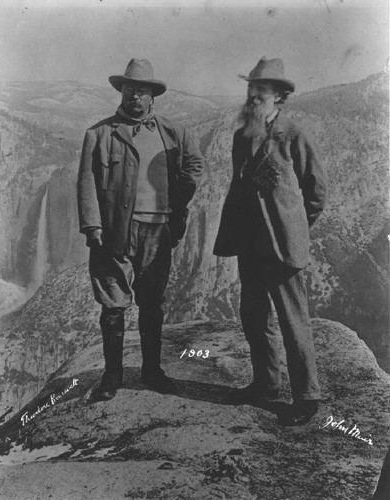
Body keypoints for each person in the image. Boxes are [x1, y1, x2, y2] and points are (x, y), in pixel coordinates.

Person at [77, 58, 203, 400]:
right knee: (113, 303)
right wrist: (92, 225)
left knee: (152, 302)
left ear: (152, 97)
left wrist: (181, 195)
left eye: (142, 91)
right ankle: (113, 375)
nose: (135, 96)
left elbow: (194, 163)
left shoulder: (172, 132)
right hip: (115, 230)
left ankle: (151, 371)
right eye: (130, 90)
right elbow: (87, 181)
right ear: (122, 92)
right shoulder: (99, 134)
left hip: (159, 229)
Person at [214, 57, 327, 425]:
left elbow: (316, 193)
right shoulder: (242, 135)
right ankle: (266, 383)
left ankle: (307, 398)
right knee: (253, 315)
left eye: (260, 91)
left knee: (293, 320)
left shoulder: (293, 134)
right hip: (250, 244)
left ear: (279, 96)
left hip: (282, 247)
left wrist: (293, 227)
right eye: (251, 89)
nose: (253, 96)